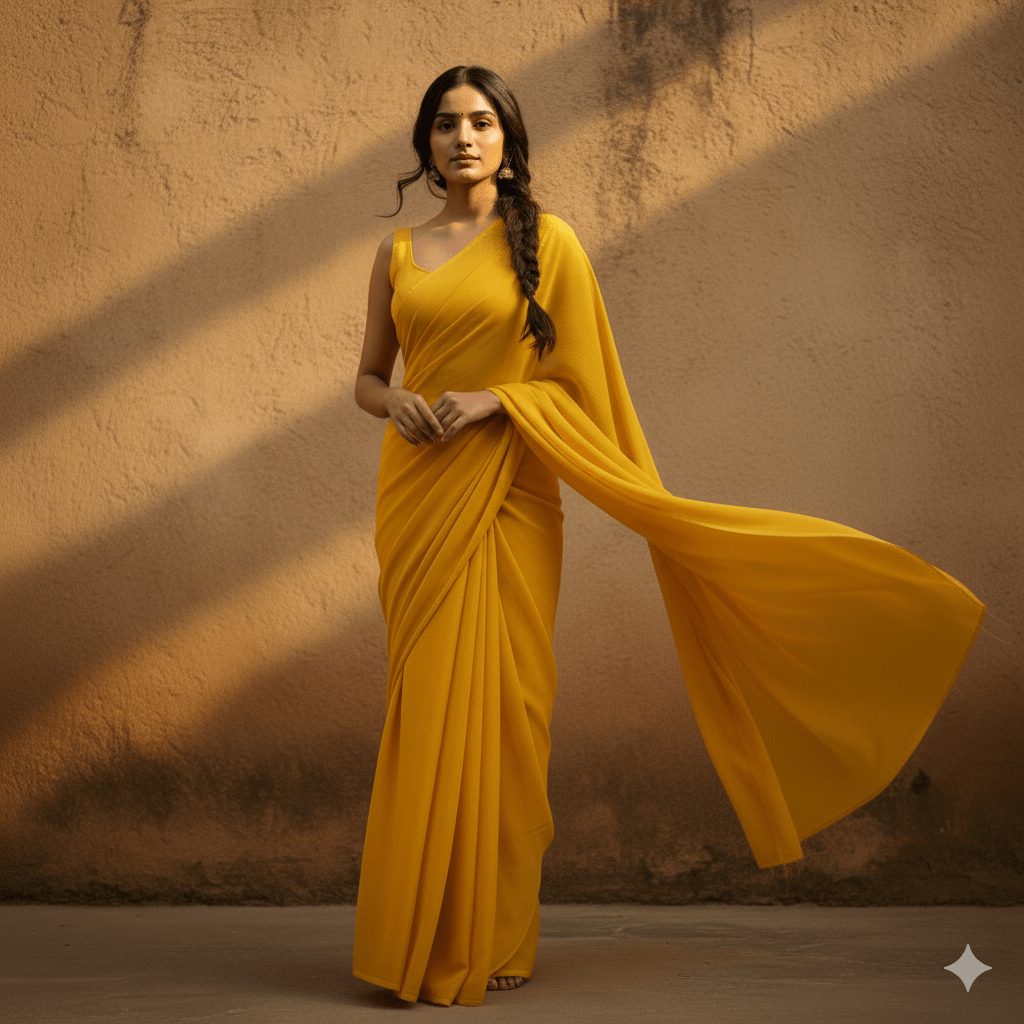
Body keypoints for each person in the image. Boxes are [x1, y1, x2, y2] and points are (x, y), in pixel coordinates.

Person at [350, 65, 987, 1008]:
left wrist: (495, 398)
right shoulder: (398, 252)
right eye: (445, 125)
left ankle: (495, 933)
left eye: (481, 122)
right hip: (418, 499)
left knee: (512, 715)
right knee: (426, 707)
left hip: (513, 496)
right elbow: (366, 375)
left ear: (508, 139)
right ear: (424, 145)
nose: (463, 139)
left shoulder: (548, 243)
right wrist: (397, 400)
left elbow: (581, 385)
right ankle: (416, 932)